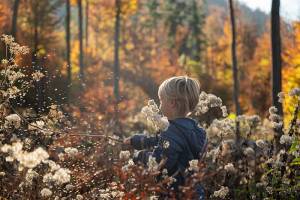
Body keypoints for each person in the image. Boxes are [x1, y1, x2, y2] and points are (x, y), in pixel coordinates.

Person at [124, 76, 207, 199]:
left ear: (172, 103)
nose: (160, 105)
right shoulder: (197, 131)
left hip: (176, 193)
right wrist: (136, 140)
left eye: (161, 100)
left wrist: (140, 156)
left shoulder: (171, 132)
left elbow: (159, 164)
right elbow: (160, 141)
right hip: (195, 191)